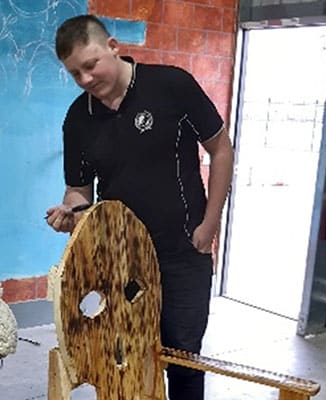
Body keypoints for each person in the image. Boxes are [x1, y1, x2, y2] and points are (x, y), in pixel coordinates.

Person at [46, 14, 234, 400]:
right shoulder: (78, 118)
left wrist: (210, 225)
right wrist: (69, 214)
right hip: (122, 262)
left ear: (113, 47)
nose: (84, 80)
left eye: (90, 65)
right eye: (73, 73)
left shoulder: (171, 85)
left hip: (183, 252)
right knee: (126, 357)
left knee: (182, 358)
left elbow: (221, 149)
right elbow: (79, 191)